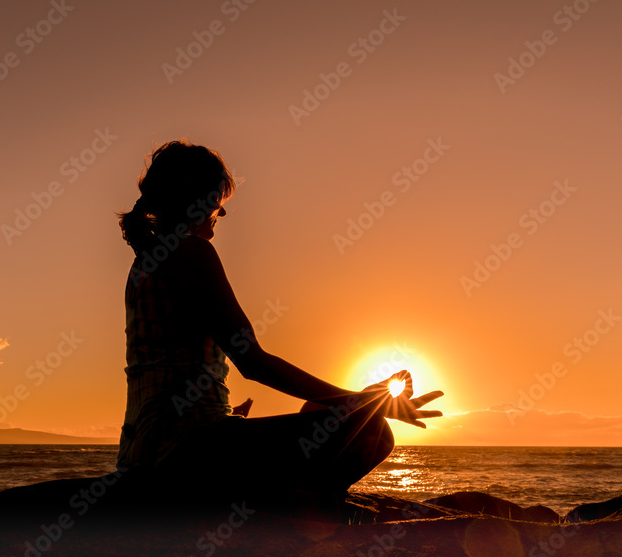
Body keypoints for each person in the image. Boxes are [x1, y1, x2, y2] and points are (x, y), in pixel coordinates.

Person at [115, 140, 442, 499]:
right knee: (374, 432)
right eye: (217, 201)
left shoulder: (143, 265)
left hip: (141, 451)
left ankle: (340, 417)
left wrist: (354, 401)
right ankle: (295, 512)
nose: (220, 214)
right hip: (184, 449)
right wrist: (360, 404)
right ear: (195, 196)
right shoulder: (191, 251)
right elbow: (253, 362)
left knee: (331, 414)